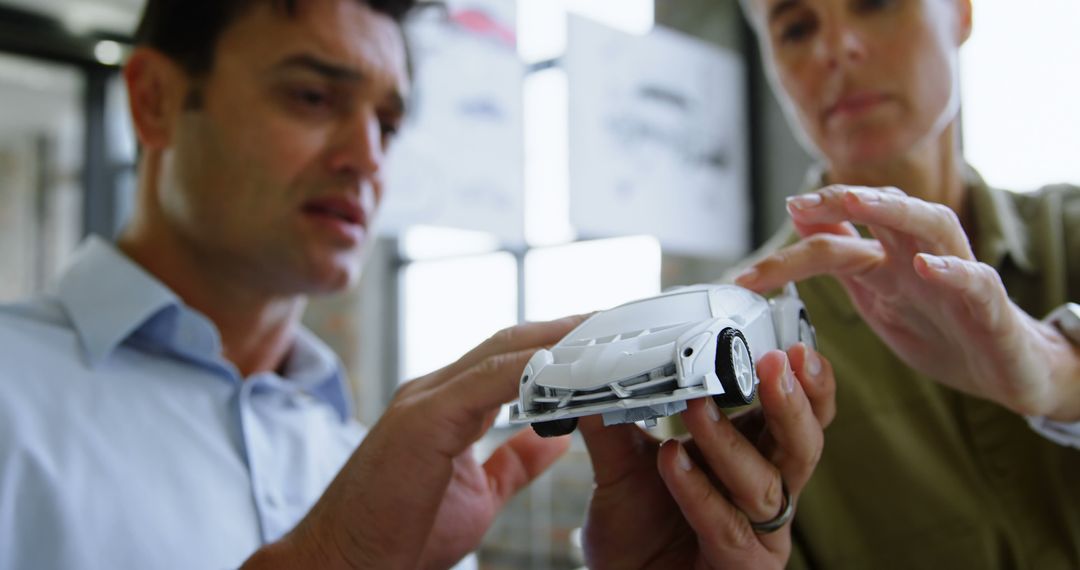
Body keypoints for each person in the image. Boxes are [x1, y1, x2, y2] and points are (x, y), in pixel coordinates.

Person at [0, 0, 837, 568]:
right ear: (151, 101)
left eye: (389, 122)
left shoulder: (372, 466)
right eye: (311, 95)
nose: (367, 157)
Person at [727, 0, 1080, 567]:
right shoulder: (738, 336)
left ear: (961, 13)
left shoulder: (1072, 233)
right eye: (796, 27)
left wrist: (1061, 375)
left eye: (876, 3)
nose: (835, 48)